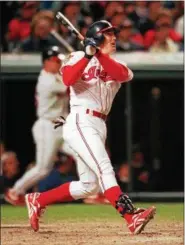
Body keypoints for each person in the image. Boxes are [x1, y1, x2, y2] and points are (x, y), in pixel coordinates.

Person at [25, 20, 156, 235]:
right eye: (108, 34)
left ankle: (38, 199)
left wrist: (96, 53)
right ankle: (131, 216)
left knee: (89, 186)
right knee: (105, 167)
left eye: (114, 33)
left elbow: (122, 76)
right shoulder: (76, 57)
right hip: (79, 120)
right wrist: (87, 54)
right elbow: (68, 79)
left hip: (99, 124)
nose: (114, 37)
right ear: (97, 37)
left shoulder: (118, 64)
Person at [5, 46, 76, 205]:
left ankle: (95, 192)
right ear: (46, 62)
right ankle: (15, 192)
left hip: (62, 127)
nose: (58, 63)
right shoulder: (46, 80)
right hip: (47, 127)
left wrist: (74, 60)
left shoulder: (56, 76)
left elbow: (68, 74)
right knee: (43, 169)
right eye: (55, 60)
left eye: (59, 60)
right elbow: (70, 86)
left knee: (82, 153)